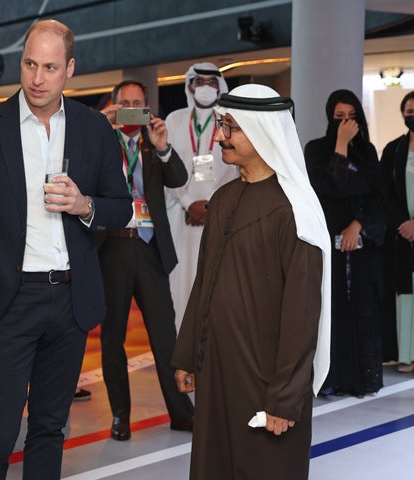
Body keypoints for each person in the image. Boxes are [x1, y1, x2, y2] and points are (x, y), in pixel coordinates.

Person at [0, 19, 132, 480]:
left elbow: (122, 209)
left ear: (70, 69)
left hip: (70, 300)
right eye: (29, 64)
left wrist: (85, 205)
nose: (36, 78)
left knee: (48, 429)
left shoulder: (92, 129)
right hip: (7, 301)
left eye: (49, 67)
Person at [172, 84, 331, 480]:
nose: (220, 136)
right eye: (223, 125)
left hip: (266, 381)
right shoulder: (224, 198)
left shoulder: (295, 210)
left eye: (230, 127)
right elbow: (203, 283)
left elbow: (302, 314)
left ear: (263, 133)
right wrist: (189, 353)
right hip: (217, 373)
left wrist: (285, 397)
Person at [97, 80, 193, 440]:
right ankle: (120, 415)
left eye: (139, 102)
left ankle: (182, 413)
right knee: (112, 339)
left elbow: (180, 178)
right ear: (114, 105)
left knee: (166, 337)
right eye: (125, 103)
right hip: (113, 249)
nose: (133, 108)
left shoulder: (153, 146)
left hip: (150, 248)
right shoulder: (101, 140)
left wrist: (164, 146)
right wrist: (98, 125)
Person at [304, 89, 386, 396]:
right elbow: (327, 188)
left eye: (351, 117)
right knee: (331, 309)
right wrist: (340, 145)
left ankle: (362, 379)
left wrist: (358, 225)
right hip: (327, 243)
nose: (346, 123)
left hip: (360, 244)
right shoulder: (316, 150)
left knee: (363, 309)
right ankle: (331, 378)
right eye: (339, 118)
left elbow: (378, 196)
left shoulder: (368, 152)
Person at [164, 63, 239, 331]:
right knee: (180, 288)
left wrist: (212, 207)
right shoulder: (174, 119)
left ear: (220, 87)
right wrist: (188, 204)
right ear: (189, 86)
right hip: (180, 219)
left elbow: (235, 168)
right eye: (200, 81)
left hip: (219, 220)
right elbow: (166, 166)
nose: (205, 87)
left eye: (211, 82)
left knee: (215, 287)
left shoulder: (230, 120)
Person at [380, 90, 414, 373]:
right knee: (405, 294)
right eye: (409, 110)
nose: (412, 115)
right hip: (402, 234)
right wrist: (404, 223)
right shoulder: (393, 150)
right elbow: (384, 193)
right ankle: (406, 354)